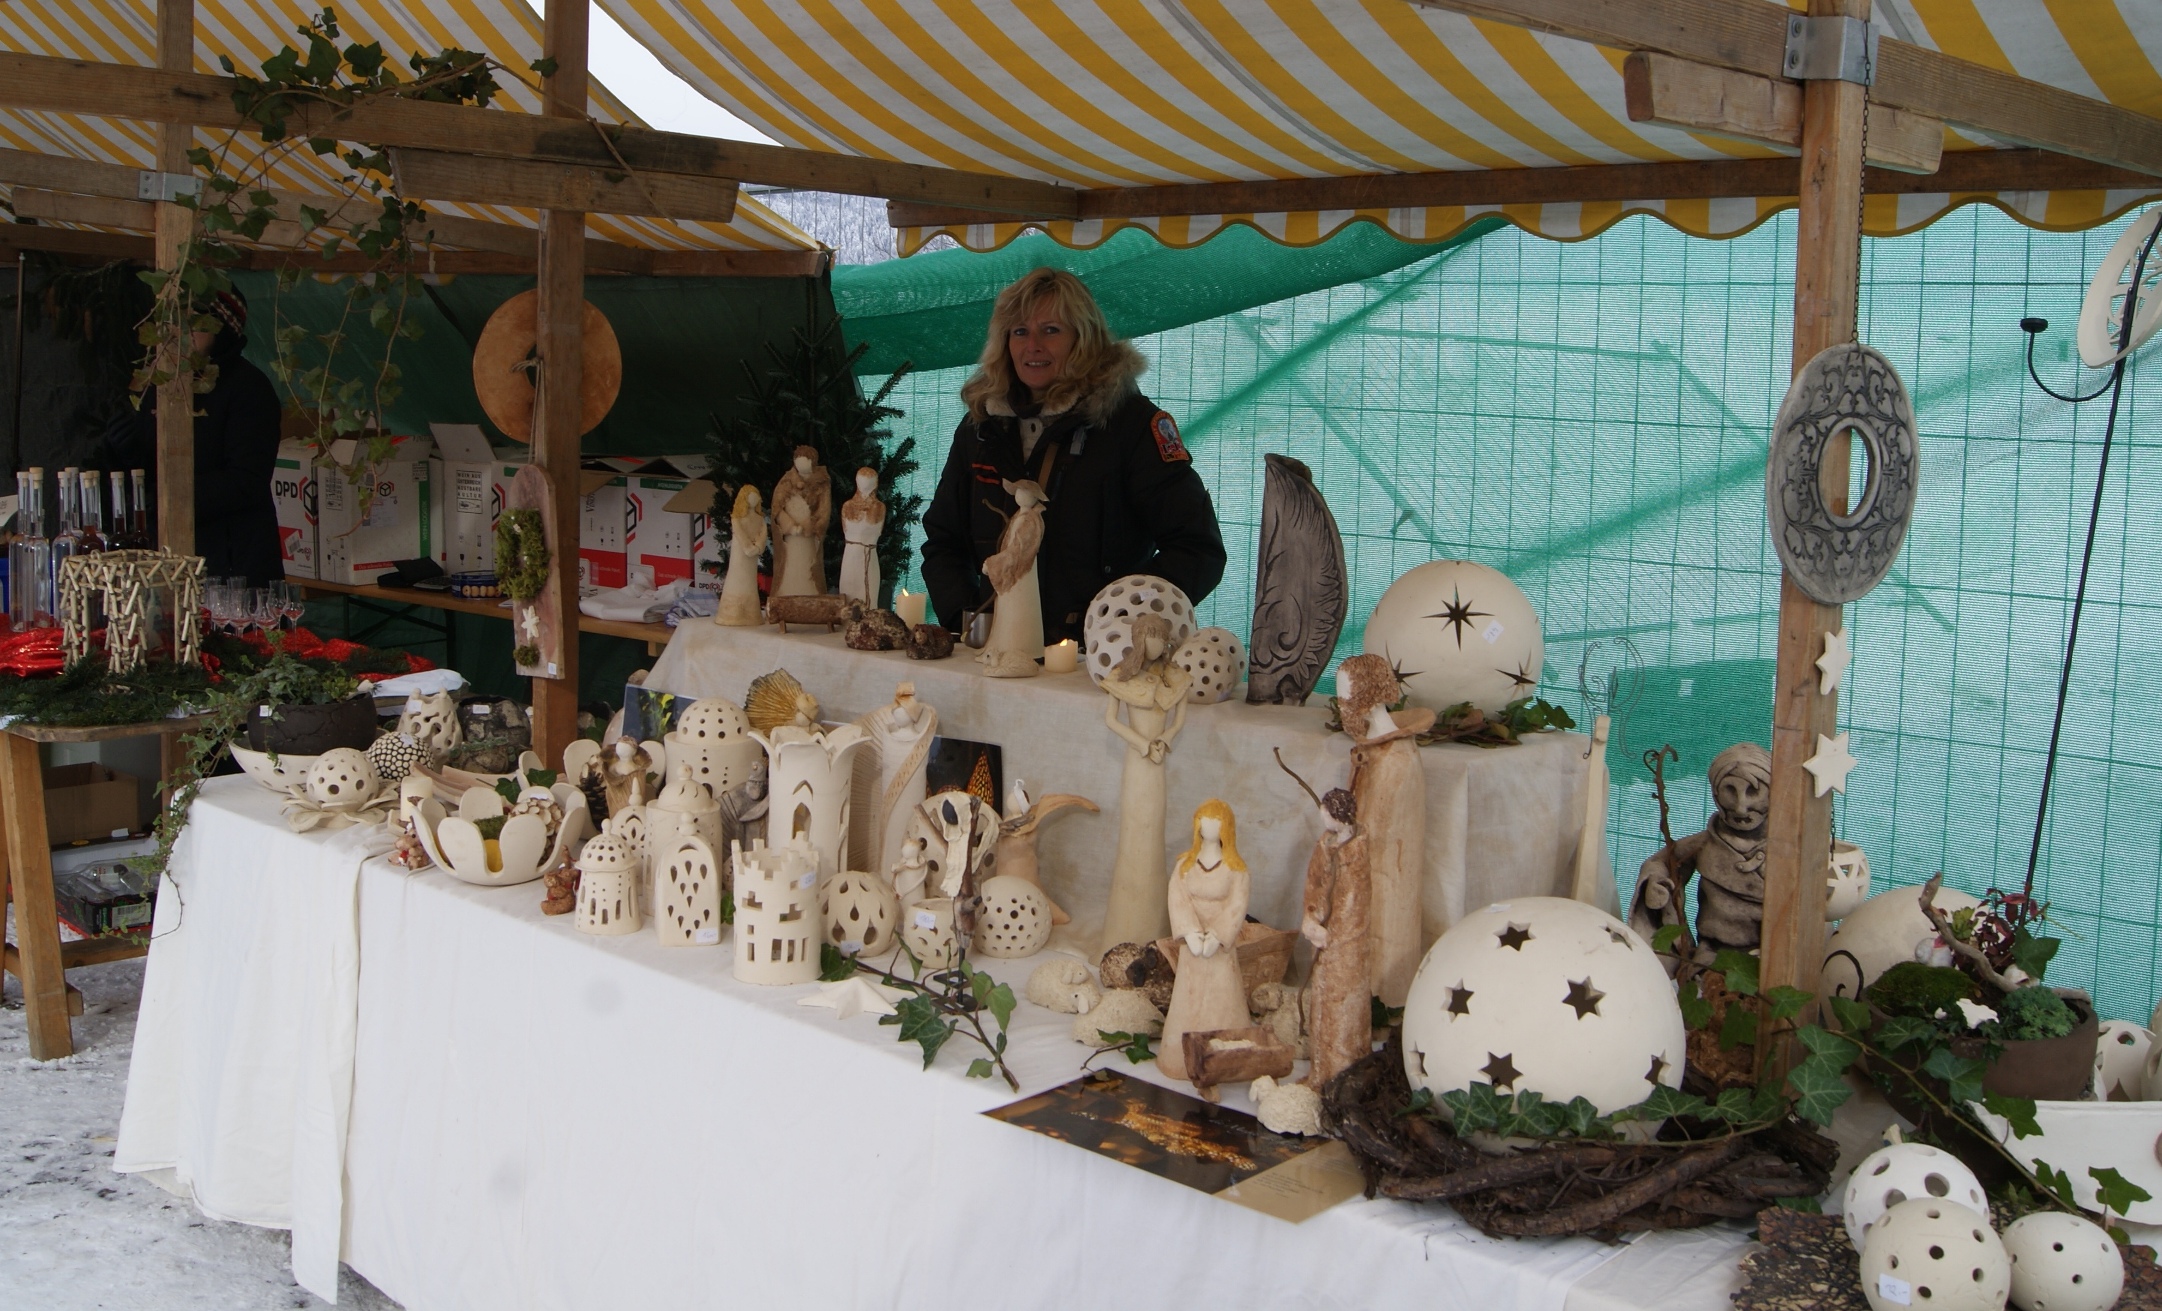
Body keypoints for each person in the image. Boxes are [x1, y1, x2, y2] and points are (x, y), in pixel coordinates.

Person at [919, 268, 1225, 643]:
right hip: (992, 654)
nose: (1033, 345)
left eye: (1051, 330)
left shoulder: (1130, 425)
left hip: (1095, 661)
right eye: (1020, 331)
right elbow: (943, 540)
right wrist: (967, 619)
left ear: (1083, 339)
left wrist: (1119, 625)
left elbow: (1197, 549)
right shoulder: (980, 427)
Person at [103, 289, 284, 584]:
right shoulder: (160, 384)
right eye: (175, 321)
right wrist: (126, 452)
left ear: (222, 329)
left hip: (232, 563)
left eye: (195, 323)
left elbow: (246, 479)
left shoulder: (248, 388)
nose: (180, 332)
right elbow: (147, 469)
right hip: (166, 558)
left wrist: (172, 495)